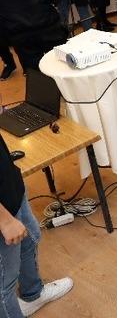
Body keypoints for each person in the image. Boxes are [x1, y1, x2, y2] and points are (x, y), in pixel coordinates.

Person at [0, 134, 74, 318]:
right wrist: (5, 220)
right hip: (3, 213)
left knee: (30, 238)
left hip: (10, 185)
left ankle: (33, 295)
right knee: (4, 286)